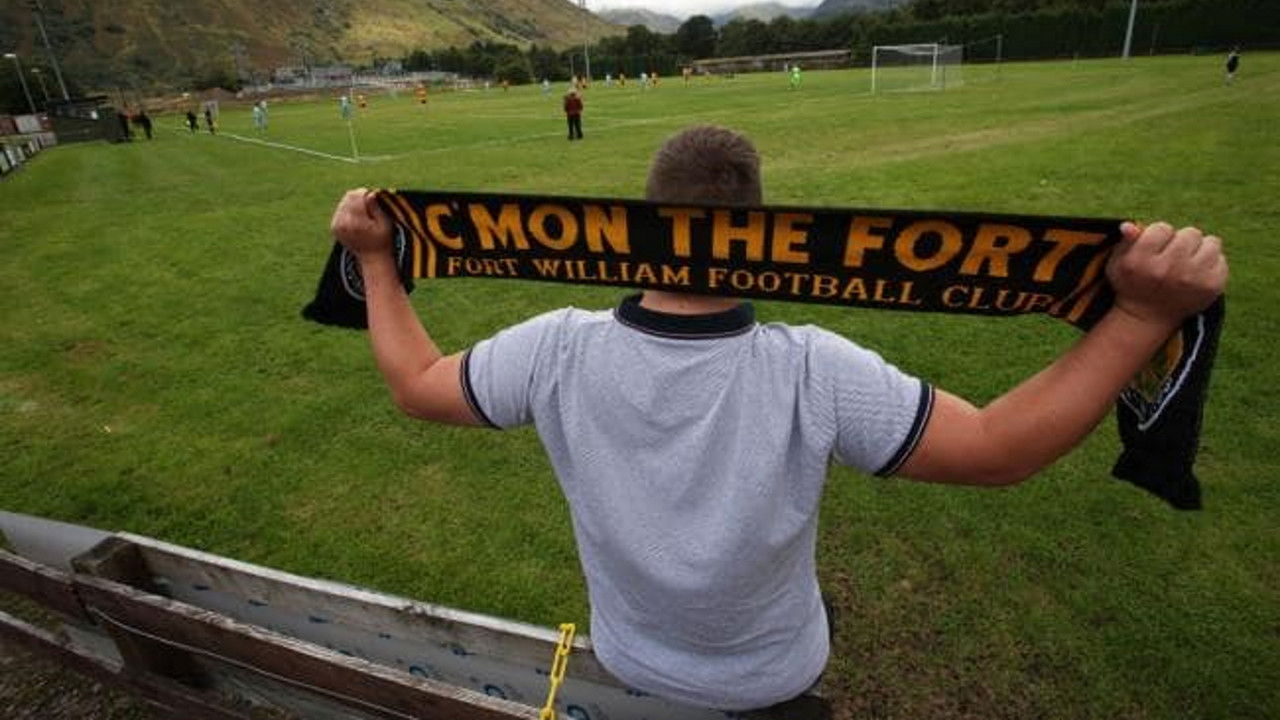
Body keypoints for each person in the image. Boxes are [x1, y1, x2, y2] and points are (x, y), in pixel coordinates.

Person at [327, 126, 1227, 716]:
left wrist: (374, 260)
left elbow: (419, 384)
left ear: (645, 220)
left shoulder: (555, 348)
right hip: (773, 678)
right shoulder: (813, 369)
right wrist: (1140, 318)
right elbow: (996, 450)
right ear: (756, 230)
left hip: (632, 663)